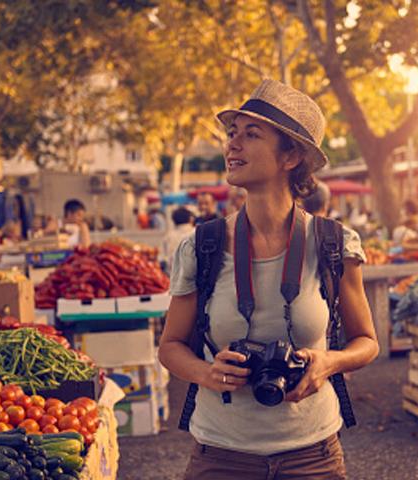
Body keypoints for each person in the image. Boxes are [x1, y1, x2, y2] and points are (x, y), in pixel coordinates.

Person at [159, 79, 378, 479]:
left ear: (290, 156)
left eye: (251, 134)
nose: (232, 144)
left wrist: (328, 362)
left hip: (313, 455)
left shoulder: (334, 244)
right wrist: (205, 373)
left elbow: (367, 343)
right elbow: (170, 346)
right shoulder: (200, 246)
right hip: (221, 455)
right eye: (232, 133)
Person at [162, 207, 195, 271]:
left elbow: (163, 258)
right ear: (190, 219)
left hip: (173, 274)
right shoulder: (197, 233)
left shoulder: (168, 236)